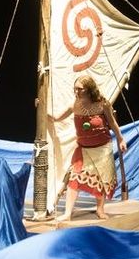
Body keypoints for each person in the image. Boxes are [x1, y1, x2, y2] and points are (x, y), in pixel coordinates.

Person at [52, 74, 127, 221]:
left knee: (101, 179)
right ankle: (67, 213)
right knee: (74, 178)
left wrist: (121, 139)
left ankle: (100, 209)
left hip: (102, 148)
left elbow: (112, 124)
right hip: (83, 148)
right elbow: (56, 118)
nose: (76, 92)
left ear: (89, 89)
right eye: (75, 89)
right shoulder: (74, 105)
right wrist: (41, 107)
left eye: (79, 89)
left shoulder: (102, 104)